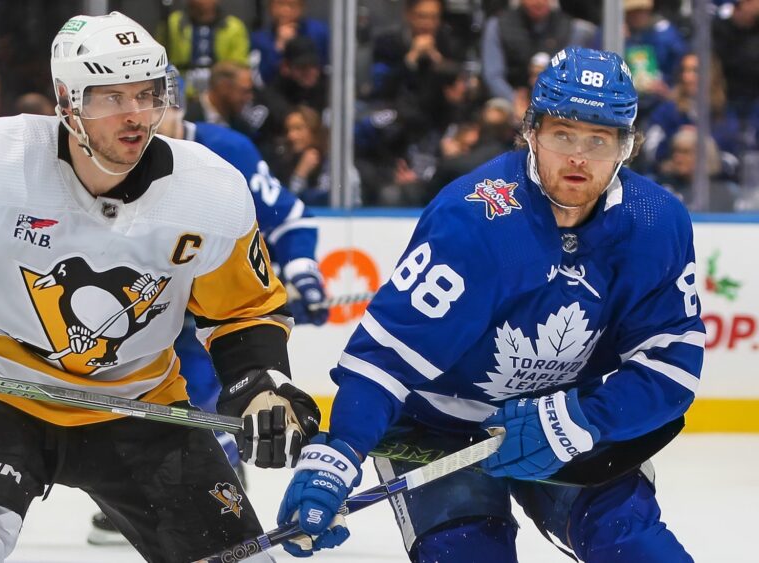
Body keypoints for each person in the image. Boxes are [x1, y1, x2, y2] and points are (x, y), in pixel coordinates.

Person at [0, 12, 320, 563]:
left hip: (141, 407)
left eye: (148, 94)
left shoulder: (210, 192)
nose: (135, 117)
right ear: (66, 99)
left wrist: (262, 384)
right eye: (111, 97)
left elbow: (245, 311)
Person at [278, 46, 703, 563]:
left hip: (568, 412)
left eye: (599, 140)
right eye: (562, 134)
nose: (577, 157)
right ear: (530, 130)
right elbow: (384, 361)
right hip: (437, 424)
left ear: (626, 147)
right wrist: (337, 456)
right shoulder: (473, 219)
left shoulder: (656, 224)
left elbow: (672, 367)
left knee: (636, 548)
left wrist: (582, 419)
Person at [87, 85, 329, 547]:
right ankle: (171, 493)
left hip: (211, 294)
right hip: (151, 297)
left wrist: (303, 272)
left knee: (201, 395)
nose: (143, 123)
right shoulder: (111, 152)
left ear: (174, 107)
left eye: (156, 108)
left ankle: (218, 495)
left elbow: (289, 216)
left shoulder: (224, 151)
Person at [159, 0, 250, 99]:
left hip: (219, 89)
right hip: (180, 85)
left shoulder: (234, 27)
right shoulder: (173, 23)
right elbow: (159, 59)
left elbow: (239, 67)